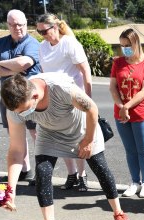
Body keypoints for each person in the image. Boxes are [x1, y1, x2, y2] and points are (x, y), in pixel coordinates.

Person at [0, 73, 132, 220]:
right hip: (49, 134)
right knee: (42, 172)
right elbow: (16, 150)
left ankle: (119, 213)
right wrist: (11, 189)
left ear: (35, 96)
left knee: (100, 167)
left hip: (83, 129)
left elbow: (91, 108)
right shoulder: (15, 109)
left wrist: (88, 140)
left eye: (25, 110)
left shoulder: (60, 87)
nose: (23, 114)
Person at [37, 13, 92, 192]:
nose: (43, 35)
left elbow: (85, 70)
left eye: (45, 31)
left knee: (77, 138)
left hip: (74, 96)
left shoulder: (69, 43)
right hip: (54, 99)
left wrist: (88, 98)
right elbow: (45, 75)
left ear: (55, 27)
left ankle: (82, 176)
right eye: (39, 32)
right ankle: (71, 174)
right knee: (61, 137)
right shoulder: (42, 47)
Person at [0, 9, 40, 185]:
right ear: (7, 25)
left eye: (21, 24)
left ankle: (42, 172)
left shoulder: (32, 42)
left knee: (36, 134)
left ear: (26, 23)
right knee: (15, 136)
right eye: (13, 25)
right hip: (8, 98)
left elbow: (25, 62)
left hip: (29, 98)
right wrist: (12, 67)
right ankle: (25, 171)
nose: (18, 28)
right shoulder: (1, 42)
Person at [109, 28, 144, 198]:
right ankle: (135, 182)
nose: (125, 48)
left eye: (128, 45)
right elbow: (112, 87)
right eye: (122, 45)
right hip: (121, 113)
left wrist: (126, 106)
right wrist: (120, 106)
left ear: (136, 43)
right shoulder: (118, 62)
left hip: (141, 112)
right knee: (130, 150)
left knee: (143, 150)